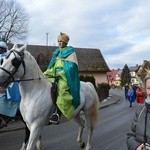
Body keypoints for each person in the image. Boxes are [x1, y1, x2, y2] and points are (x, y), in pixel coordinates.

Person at [44, 32, 80, 124]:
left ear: (65, 42)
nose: (59, 43)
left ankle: (57, 113)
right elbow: (53, 65)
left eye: (61, 41)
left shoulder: (70, 52)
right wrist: (46, 73)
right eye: (58, 41)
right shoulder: (57, 52)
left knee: (61, 89)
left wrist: (61, 74)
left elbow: (72, 67)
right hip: (54, 74)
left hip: (64, 76)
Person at [0, 40, 21, 129]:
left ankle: (6, 118)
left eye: (1, 48)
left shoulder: (7, 58)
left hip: (8, 82)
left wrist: (2, 85)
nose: (0, 50)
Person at [126, 72, 150, 150]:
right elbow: (130, 136)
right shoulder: (140, 111)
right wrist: (136, 147)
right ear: (146, 90)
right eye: (149, 88)